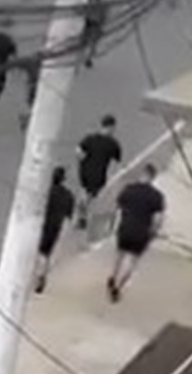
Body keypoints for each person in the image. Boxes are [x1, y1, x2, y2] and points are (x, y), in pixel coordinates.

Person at [108, 164, 165, 302]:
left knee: (120, 256)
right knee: (133, 262)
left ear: (142, 174)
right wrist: (153, 233)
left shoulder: (128, 189)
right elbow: (158, 219)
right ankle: (119, 287)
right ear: (153, 178)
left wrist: (113, 227)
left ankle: (113, 277)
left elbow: (117, 210)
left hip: (125, 228)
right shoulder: (157, 196)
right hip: (141, 232)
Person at [34, 166, 75, 294]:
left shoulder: (49, 191)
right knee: (48, 253)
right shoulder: (69, 195)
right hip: (57, 226)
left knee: (42, 252)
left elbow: (41, 208)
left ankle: (40, 275)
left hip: (47, 224)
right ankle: (43, 273)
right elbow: (69, 217)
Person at [76, 114, 122, 229]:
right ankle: (83, 217)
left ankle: (81, 216)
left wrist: (83, 162)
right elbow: (117, 162)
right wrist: (113, 176)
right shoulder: (113, 144)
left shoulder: (90, 139)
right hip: (99, 174)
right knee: (91, 197)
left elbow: (78, 152)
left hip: (85, 172)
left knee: (84, 194)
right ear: (111, 127)